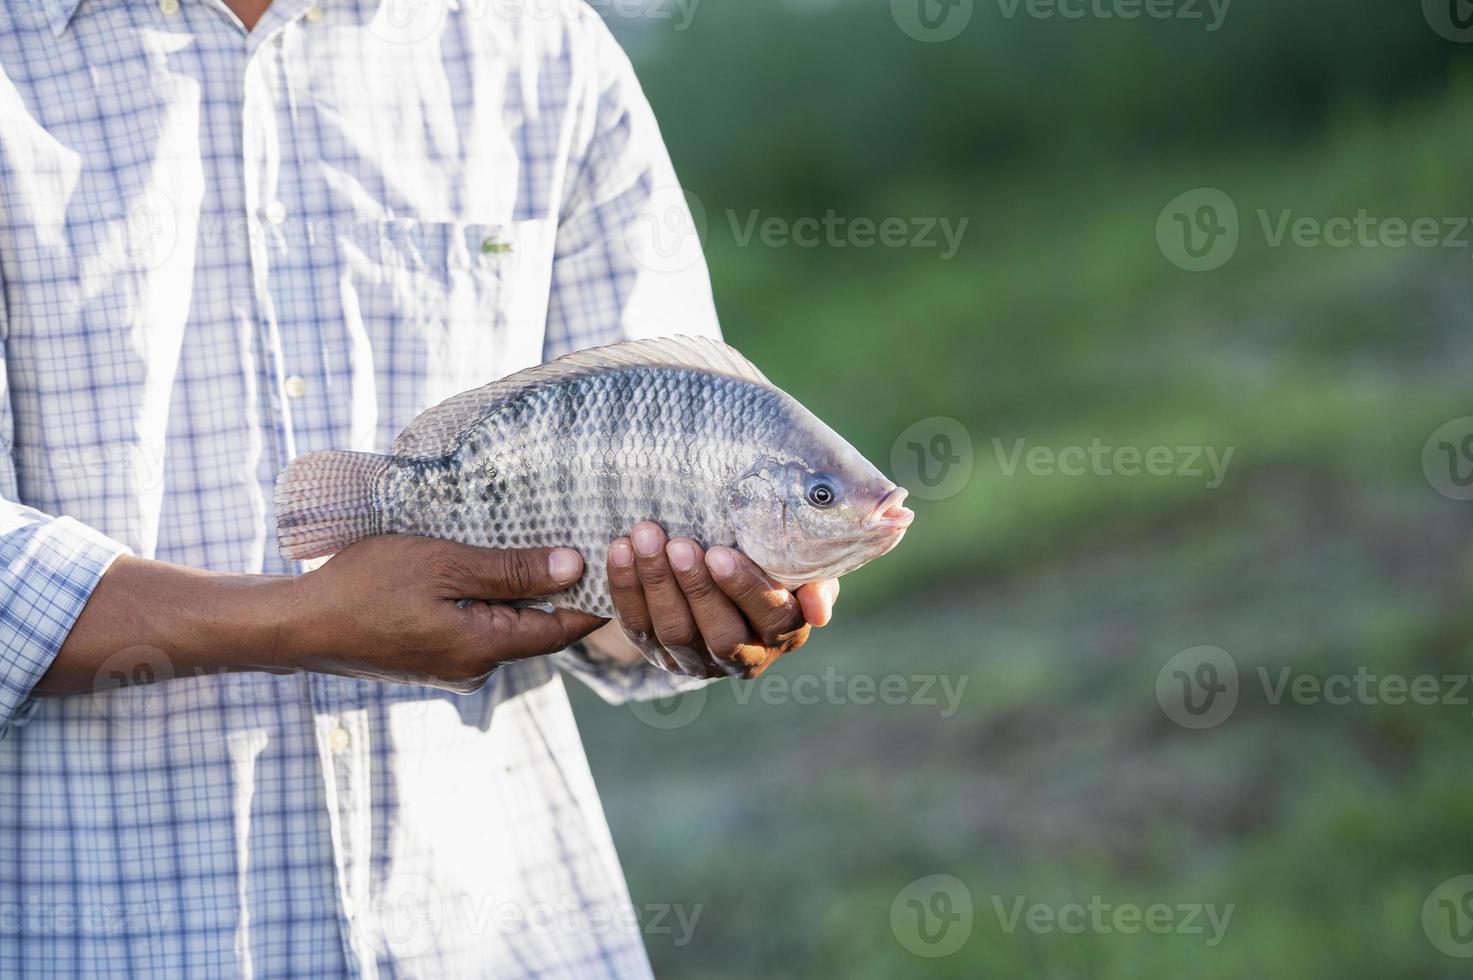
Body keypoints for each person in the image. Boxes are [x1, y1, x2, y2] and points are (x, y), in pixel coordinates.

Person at [0, 1, 840, 975]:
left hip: (490, 927)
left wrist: (691, 610)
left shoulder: (540, 42)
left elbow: (652, 499)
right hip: (103, 933)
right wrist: (296, 617)